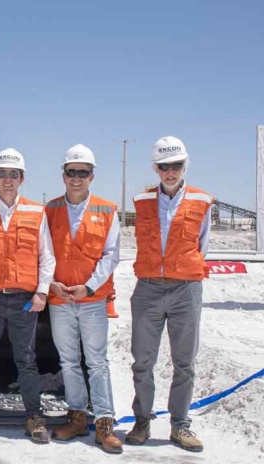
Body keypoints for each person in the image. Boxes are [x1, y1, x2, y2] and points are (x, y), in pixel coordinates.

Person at [126, 136, 213, 453]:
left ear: (184, 166)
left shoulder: (201, 201)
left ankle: (180, 425)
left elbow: (202, 246)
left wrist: (182, 272)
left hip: (185, 290)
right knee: (143, 361)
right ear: (156, 168)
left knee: (184, 362)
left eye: (176, 165)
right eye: (164, 166)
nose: (170, 172)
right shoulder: (142, 201)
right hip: (148, 289)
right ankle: (142, 422)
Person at [0, 148, 56, 444]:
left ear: (22, 179)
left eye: (13, 174)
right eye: (2, 174)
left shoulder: (36, 212)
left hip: (24, 300)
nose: (7, 179)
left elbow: (47, 256)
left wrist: (42, 292)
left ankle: (34, 416)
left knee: (26, 359)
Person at [44, 144, 122, 454]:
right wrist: (51, 283)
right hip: (60, 300)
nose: (76, 178)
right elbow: (43, 252)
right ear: (63, 175)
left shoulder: (107, 210)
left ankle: (104, 422)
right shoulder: (49, 210)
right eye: (71, 172)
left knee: (97, 362)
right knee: (68, 362)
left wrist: (88, 287)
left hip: (91, 300)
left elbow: (111, 255)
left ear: (92, 176)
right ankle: (76, 416)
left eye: (83, 173)